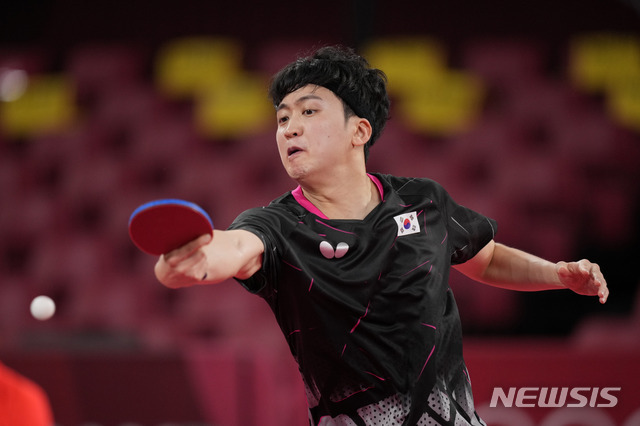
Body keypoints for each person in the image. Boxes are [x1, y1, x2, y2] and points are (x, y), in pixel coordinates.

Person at [154, 46, 609, 426]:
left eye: (308, 112)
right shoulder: (277, 225)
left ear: (359, 131)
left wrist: (557, 274)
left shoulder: (423, 202)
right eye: (282, 119)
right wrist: (194, 261)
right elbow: (234, 247)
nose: (289, 127)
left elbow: (485, 259)